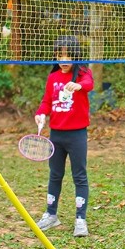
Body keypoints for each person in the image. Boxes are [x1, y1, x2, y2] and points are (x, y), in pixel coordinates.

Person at [35, 35, 94, 237]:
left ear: (76, 56)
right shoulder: (53, 78)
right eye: (60, 55)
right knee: (55, 175)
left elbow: (88, 83)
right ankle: (51, 215)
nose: (64, 60)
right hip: (56, 135)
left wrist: (78, 85)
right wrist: (40, 114)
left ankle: (80, 219)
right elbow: (46, 102)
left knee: (79, 176)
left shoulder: (83, 74)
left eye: (68, 56)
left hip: (77, 135)